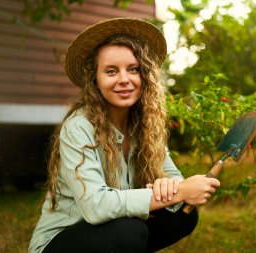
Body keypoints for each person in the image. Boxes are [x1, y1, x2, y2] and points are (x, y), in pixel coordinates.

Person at [28, 17, 220, 253]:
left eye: (133, 69)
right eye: (111, 71)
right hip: (61, 242)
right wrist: (179, 191)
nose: (124, 80)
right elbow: (96, 206)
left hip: (112, 233)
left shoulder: (146, 125)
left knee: (182, 214)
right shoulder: (79, 127)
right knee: (129, 230)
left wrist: (170, 186)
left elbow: (173, 178)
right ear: (95, 80)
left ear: (145, 76)